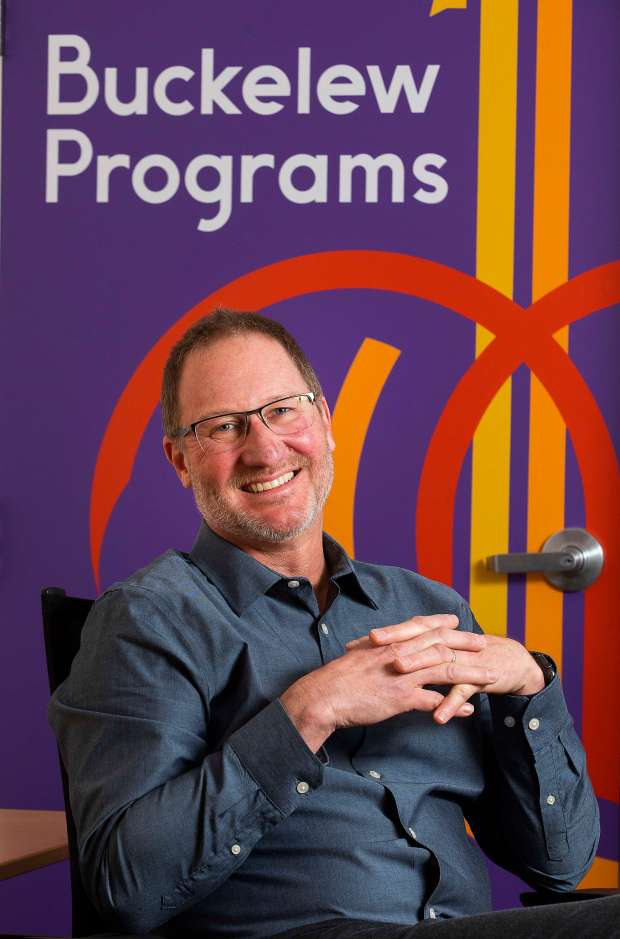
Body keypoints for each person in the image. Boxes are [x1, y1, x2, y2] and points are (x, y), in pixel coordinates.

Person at [49, 310, 616, 939]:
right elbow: (126, 887)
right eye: (223, 427)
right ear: (180, 460)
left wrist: (529, 689)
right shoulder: (148, 619)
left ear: (325, 420)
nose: (264, 448)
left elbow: (560, 866)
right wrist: (307, 712)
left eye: (283, 410)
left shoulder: (428, 607)